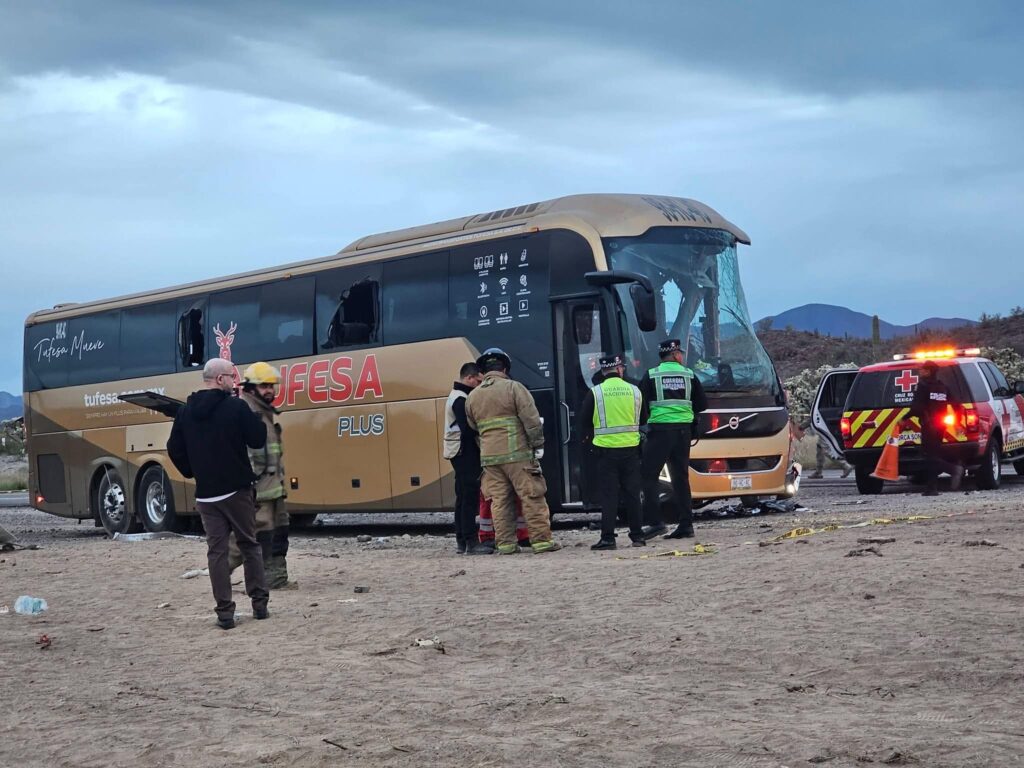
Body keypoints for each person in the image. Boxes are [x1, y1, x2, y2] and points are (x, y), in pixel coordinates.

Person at [167, 357, 269, 630]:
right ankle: (259, 605)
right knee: (249, 544)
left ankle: (225, 612)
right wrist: (252, 410)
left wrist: (192, 471)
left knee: (217, 553)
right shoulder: (235, 407)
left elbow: (173, 448)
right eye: (232, 377)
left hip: (206, 495)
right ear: (221, 379)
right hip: (236, 490)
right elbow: (258, 438)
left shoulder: (185, 412)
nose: (234, 382)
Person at [465, 348, 560, 554]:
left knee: (499, 501)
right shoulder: (514, 388)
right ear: (505, 368)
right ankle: (542, 541)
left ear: (483, 371)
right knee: (532, 496)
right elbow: (532, 421)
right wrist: (537, 444)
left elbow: (473, 426)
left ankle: (506, 544)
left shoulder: (473, 396)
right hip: (518, 455)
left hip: (490, 458)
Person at [226, 362, 291, 588]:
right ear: (250, 387)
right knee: (245, 542)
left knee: (278, 535)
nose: (270, 390)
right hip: (257, 492)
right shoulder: (244, 412)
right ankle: (219, 572)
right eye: (264, 386)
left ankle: (276, 581)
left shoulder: (264, 413)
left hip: (273, 489)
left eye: (272, 386)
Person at [639, 339, 708, 540]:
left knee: (649, 477)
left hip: (660, 432)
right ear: (676, 355)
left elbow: (641, 404)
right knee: (681, 478)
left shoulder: (652, 375)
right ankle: (686, 525)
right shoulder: (689, 375)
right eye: (681, 354)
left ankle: (655, 523)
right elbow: (702, 404)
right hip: (683, 433)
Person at [582, 354, 648, 550]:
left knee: (609, 496)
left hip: (606, 452)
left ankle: (608, 538)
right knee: (633, 495)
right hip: (631, 450)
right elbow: (644, 419)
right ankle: (638, 536)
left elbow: (585, 422)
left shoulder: (595, 393)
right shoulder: (635, 391)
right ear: (620, 369)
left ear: (603, 371)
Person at [906, 361, 964, 496]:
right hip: (940, 426)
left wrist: (904, 418)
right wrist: (958, 422)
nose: (920, 371)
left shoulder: (923, 386)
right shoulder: (942, 387)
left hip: (929, 425)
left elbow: (917, 407)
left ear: (928, 371)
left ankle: (953, 469)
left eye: (922, 369)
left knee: (928, 456)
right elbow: (957, 406)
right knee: (934, 455)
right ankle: (931, 488)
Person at [444, 362, 484, 554]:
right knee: (469, 497)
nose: (479, 384)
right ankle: (471, 542)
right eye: (478, 380)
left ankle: (462, 541)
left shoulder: (456, 396)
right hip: (464, 452)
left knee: (462, 497)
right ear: (469, 378)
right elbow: (466, 430)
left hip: (457, 452)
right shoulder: (461, 399)